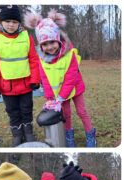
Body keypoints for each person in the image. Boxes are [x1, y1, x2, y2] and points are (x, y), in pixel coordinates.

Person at [24, 9, 96, 147]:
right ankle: (69, 137)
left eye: (52, 42)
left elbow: (71, 79)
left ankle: (90, 134)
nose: (49, 47)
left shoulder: (69, 55)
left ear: (58, 40)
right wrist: (51, 99)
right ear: (41, 45)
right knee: (66, 114)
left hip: (74, 88)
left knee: (81, 111)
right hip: (59, 95)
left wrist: (61, 97)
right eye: (45, 44)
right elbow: (45, 80)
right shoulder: (43, 59)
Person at [0, 5, 41, 147]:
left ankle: (28, 132)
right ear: (1, 21)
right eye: (8, 21)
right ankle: (17, 135)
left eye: (15, 22)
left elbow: (34, 60)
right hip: (6, 87)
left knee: (26, 109)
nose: (11, 25)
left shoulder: (27, 37)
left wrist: (35, 79)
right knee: (12, 112)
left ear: (19, 23)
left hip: (26, 85)